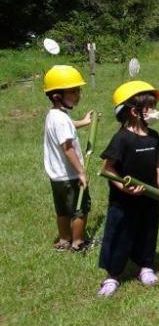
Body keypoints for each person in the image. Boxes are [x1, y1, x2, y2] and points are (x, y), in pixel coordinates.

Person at [97, 81, 159, 297]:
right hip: (123, 201)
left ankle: (145, 266)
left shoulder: (153, 136)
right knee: (120, 234)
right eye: (150, 107)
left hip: (149, 197)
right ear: (134, 111)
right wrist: (124, 188)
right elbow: (107, 169)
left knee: (147, 230)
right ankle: (112, 276)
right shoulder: (121, 138)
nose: (154, 111)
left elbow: (158, 162)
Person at [41, 65, 94, 252]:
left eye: (78, 90)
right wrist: (81, 173)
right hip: (70, 175)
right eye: (73, 91)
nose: (78, 94)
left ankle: (63, 240)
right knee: (80, 209)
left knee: (62, 210)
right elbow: (68, 148)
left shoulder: (54, 115)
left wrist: (84, 122)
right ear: (57, 96)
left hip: (56, 176)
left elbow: (68, 126)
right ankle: (78, 242)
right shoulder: (62, 120)